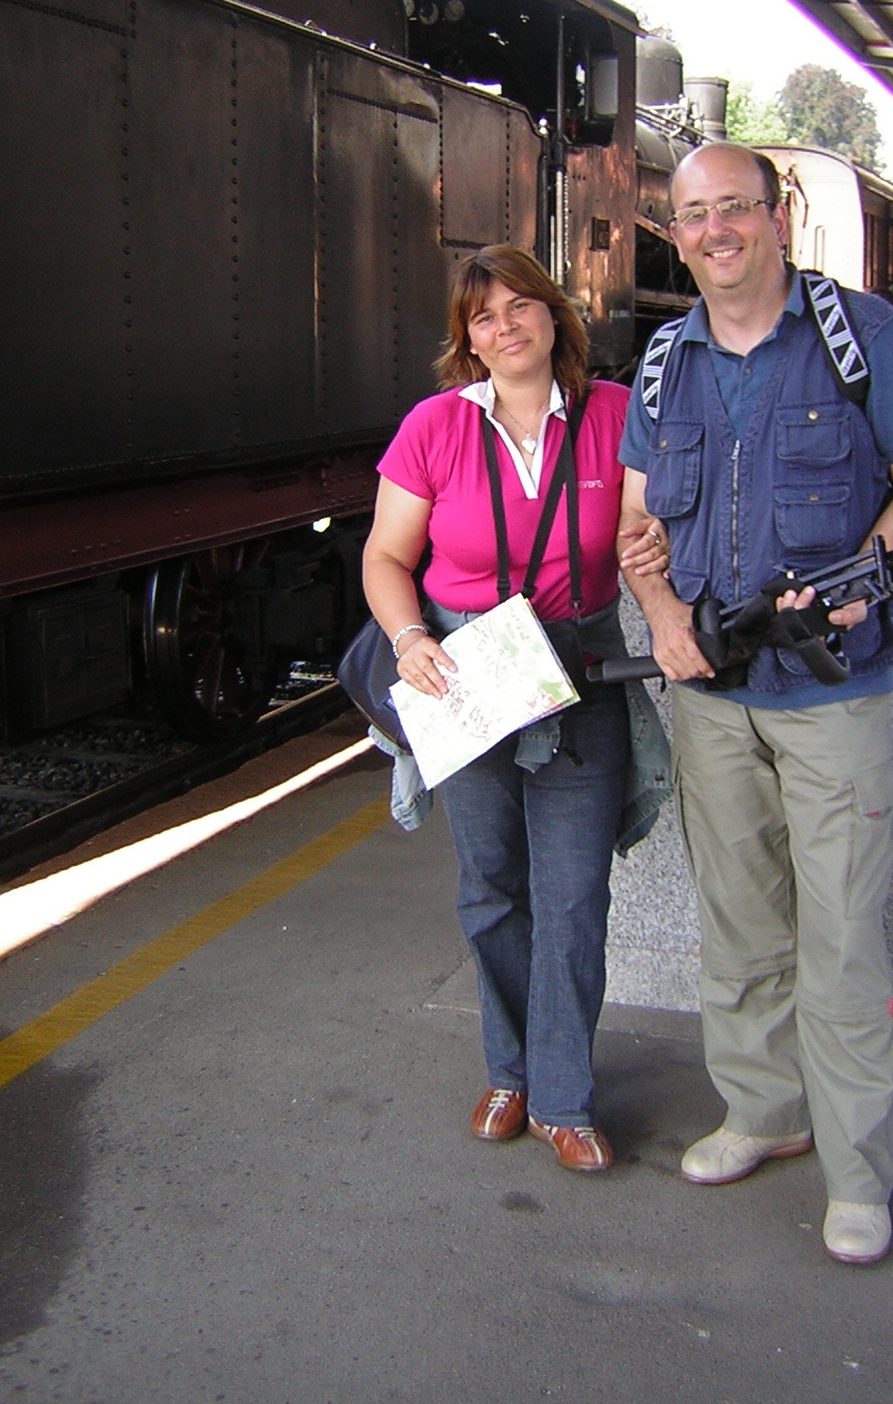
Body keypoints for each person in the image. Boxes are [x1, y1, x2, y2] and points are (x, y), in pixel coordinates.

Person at [617, 144, 893, 1264]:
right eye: (694, 215)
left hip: (834, 694)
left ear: (776, 215)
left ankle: (859, 1172)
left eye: (735, 209)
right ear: (678, 234)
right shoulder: (665, 361)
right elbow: (635, 527)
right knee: (742, 922)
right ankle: (764, 1111)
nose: (716, 231)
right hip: (712, 692)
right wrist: (661, 615)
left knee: (844, 937)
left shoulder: (860, 337)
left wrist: (869, 581)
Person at [362, 245, 670, 1174]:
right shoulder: (434, 428)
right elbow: (384, 557)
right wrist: (413, 640)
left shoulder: (616, 417)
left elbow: (641, 538)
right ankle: (510, 1070)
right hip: (466, 669)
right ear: (468, 341)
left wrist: (662, 589)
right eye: (484, 318)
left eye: (521, 307)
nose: (506, 327)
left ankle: (564, 1097)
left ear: (554, 313)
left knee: (574, 894)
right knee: (491, 884)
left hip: (577, 665)